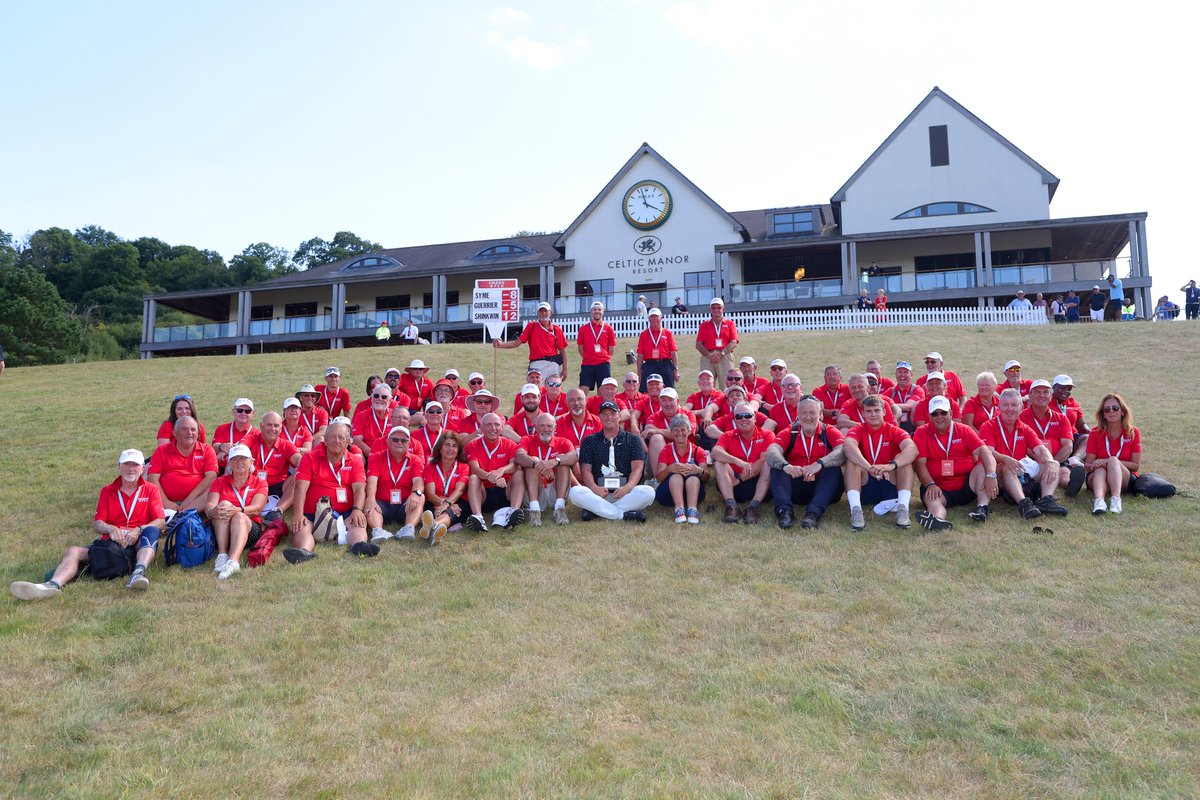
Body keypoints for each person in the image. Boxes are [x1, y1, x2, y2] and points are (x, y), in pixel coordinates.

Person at [11, 448, 165, 599]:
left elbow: (160, 520)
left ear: (142, 468)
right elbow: (97, 523)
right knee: (72, 551)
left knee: (151, 531)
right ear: (119, 466)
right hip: (113, 541)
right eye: (126, 464)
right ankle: (53, 585)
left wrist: (138, 530)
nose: (131, 469)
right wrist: (111, 529)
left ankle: (139, 572)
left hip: (137, 542)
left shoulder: (151, 489)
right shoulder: (107, 491)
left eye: (135, 465)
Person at [286, 421, 376, 563]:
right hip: (313, 513)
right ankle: (304, 552)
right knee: (301, 527)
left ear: (347, 442)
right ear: (325, 440)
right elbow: (300, 488)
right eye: (332, 437)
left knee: (357, 523)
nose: (337, 441)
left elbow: (359, 488)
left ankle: (359, 546)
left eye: (341, 438)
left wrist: (357, 509)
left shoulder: (355, 461)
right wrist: (298, 514)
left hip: (345, 512)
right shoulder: (309, 458)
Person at [912, 396, 999, 529]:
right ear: (929, 416)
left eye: (943, 413)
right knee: (932, 500)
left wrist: (991, 475)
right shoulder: (921, 432)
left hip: (966, 485)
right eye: (935, 413)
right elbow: (919, 464)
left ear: (951, 413)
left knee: (983, 467)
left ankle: (982, 507)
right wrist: (930, 484)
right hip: (938, 486)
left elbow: (985, 451)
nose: (939, 417)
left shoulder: (964, 429)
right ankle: (937, 520)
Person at [978, 389, 1066, 520]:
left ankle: (1046, 500)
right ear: (999, 407)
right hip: (997, 474)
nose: (1010, 409)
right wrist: (1004, 458)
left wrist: (1050, 462)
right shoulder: (988, 426)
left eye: (1014, 405)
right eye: (1006, 405)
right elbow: (988, 452)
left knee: (1054, 463)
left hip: (1018, 470)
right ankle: (1024, 503)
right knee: (1007, 466)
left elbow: (1041, 449)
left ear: (1021, 408)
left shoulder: (1024, 428)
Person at [765, 395, 845, 530]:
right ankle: (784, 511)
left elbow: (842, 452)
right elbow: (771, 452)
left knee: (833, 468)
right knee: (777, 466)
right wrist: (786, 466)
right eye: (804, 413)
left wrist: (820, 463)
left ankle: (813, 513)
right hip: (796, 485)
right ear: (798, 415)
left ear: (820, 414)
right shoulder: (790, 431)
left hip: (824, 487)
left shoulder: (830, 431)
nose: (808, 417)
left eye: (812, 412)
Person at [568, 401, 655, 522]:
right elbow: (585, 470)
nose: (609, 417)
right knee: (575, 492)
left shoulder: (633, 440)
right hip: (599, 494)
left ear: (619, 416)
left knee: (649, 492)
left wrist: (627, 488)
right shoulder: (589, 441)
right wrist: (594, 488)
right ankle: (622, 515)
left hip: (625, 494)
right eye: (604, 414)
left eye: (612, 413)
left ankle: (598, 512)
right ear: (599, 417)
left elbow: (637, 468)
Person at [841, 395, 917, 530]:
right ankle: (856, 511)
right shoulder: (857, 429)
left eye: (876, 410)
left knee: (904, 461)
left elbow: (912, 449)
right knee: (852, 462)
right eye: (869, 411)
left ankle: (903, 509)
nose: (873, 414)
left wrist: (890, 466)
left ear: (884, 412)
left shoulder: (894, 430)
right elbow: (848, 446)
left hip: (890, 481)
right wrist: (869, 467)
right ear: (863, 413)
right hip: (865, 483)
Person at [204, 443, 267, 580]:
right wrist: (214, 511)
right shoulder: (219, 482)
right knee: (223, 505)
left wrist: (237, 510)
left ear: (251, 461)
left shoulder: (260, 482)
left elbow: (257, 508)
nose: (239, 462)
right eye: (235, 459)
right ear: (229, 463)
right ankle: (222, 555)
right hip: (221, 530)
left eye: (243, 458)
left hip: (249, 529)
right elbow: (209, 507)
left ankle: (233, 561)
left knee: (238, 515)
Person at [710, 402, 775, 524]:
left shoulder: (767, 434)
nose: (743, 419)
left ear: (755, 418)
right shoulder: (727, 435)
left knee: (768, 463)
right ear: (735, 420)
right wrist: (738, 461)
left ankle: (753, 507)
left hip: (757, 484)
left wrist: (740, 479)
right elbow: (715, 452)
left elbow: (764, 459)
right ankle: (731, 506)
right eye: (739, 416)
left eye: (747, 415)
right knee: (719, 463)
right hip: (733, 486)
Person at [1021, 379, 1084, 501]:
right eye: (1037, 392)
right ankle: (1038, 484)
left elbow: (1068, 446)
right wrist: (1044, 461)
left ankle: (1070, 485)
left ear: (1051, 396)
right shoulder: (1021, 417)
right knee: (1040, 470)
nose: (1041, 395)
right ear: (1030, 395)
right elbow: (1022, 445)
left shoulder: (1061, 419)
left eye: (1045, 392)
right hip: (1032, 460)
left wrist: (1052, 463)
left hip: (1057, 459)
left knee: (1064, 473)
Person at [464, 413, 525, 532]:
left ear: (502, 428)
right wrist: (492, 477)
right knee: (474, 478)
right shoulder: (472, 445)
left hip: (505, 489)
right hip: (484, 494)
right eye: (489, 425)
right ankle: (478, 516)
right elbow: (474, 468)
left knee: (519, 473)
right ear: (481, 428)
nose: (493, 428)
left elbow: (514, 464)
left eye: (497, 425)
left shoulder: (509, 443)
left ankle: (513, 511)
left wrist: (501, 471)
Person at [365, 425, 425, 542]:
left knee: (420, 496)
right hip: (382, 505)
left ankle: (409, 528)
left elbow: (418, 481)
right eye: (395, 439)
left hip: (405, 505)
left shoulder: (415, 460)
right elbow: (372, 481)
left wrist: (415, 493)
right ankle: (378, 531)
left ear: (409, 444)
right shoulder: (376, 457)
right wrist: (371, 498)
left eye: (404, 440)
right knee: (368, 500)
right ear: (388, 441)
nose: (399, 443)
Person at [515, 412, 577, 526]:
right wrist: (538, 464)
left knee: (562, 461)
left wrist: (553, 462)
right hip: (536, 490)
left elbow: (573, 456)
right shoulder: (527, 439)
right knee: (532, 461)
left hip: (556, 489)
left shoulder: (563, 441)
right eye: (542, 425)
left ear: (555, 427)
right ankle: (534, 511)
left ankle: (560, 508)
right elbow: (519, 456)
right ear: (535, 427)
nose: (546, 429)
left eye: (549, 426)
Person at [146, 417, 218, 514]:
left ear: (198, 433)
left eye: (193, 429)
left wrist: (190, 499)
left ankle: (183, 515)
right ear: (175, 433)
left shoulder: (207, 450)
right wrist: (166, 502)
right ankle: (180, 516)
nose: (189, 432)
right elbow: (152, 479)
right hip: (167, 502)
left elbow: (211, 477)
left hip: (196, 501)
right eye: (184, 429)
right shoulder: (161, 450)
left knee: (214, 489)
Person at [1085, 393, 1141, 515]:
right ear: (1103, 414)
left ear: (1122, 411)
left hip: (1124, 479)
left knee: (1113, 460)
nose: (1111, 412)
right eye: (1107, 409)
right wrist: (1096, 464)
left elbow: (1135, 465)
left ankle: (1116, 499)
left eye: (1115, 408)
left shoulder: (1133, 432)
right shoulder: (1095, 433)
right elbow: (1087, 465)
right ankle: (1099, 501)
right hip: (1098, 477)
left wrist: (1109, 461)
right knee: (1100, 469)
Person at [242, 411, 303, 517]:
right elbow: (241, 449)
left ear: (281, 428)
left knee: (300, 476)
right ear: (261, 426)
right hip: (253, 484)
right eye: (269, 425)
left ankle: (277, 511)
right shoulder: (251, 438)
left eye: (276, 426)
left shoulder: (286, 444)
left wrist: (299, 468)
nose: (273, 429)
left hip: (278, 485)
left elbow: (299, 459)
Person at [654, 414, 709, 524]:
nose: (680, 433)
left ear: (689, 431)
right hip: (669, 494)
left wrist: (699, 470)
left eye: (683, 430)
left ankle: (692, 509)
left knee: (693, 475)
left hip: (694, 493)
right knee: (675, 474)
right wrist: (670, 469)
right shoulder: (666, 450)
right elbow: (658, 478)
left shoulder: (698, 450)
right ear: (671, 432)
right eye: (676, 430)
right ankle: (679, 509)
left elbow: (706, 477)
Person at [493, 301, 568, 381]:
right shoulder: (531, 326)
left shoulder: (556, 329)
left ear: (550, 313)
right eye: (541, 311)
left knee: (553, 390)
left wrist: (565, 369)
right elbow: (516, 343)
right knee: (535, 390)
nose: (543, 313)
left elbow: (562, 351)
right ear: (537, 313)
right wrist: (501, 345)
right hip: (537, 364)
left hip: (553, 364)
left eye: (545, 311)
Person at [421, 432, 468, 544]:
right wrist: (444, 503)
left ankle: (434, 525)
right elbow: (430, 494)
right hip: (435, 501)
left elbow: (460, 490)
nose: (450, 449)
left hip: (457, 501)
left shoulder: (463, 467)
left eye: (454, 446)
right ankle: (436, 528)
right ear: (440, 448)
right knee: (446, 510)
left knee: (450, 511)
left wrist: (447, 504)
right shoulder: (430, 467)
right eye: (447, 445)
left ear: (458, 451)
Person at [638, 387, 695, 478]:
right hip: (659, 462)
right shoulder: (653, 417)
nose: (668, 403)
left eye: (671, 400)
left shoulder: (688, 414)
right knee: (657, 438)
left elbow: (687, 433)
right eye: (664, 400)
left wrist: (657, 430)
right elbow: (648, 431)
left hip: (685, 459)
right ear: (660, 403)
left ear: (678, 401)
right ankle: (659, 480)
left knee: (657, 435)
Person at [695, 297, 738, 381]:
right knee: (706, 383)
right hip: (708, 357)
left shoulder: (730, 324)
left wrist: (721, 353)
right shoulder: (704, 325)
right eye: (713, 308)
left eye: (719, 308)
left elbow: (734, 342)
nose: (716, 310)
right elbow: (698, 344)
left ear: (723, 309)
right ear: (710, 309)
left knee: (727, 384)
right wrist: (709, 355)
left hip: (725, 355)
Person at [577, 300, 616, 391]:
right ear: (591, 312)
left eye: (599, 309)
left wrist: (602, 357)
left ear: (603, 312)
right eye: (594, 309)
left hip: (603, 364)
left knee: (602, 392)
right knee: (583, 390)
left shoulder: (609, 328)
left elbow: (611, 349)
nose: (597, 312)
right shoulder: (583, 329)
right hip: (587, 364)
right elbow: (580, 348)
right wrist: (588, 356)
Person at [350, 382, 395, 461]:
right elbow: (357, 440)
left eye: (384, 397)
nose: (379, 399)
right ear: (371, 398)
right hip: (368, 455)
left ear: (389, 400)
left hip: (392, 455)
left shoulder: (395, 415)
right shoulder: (361, 416)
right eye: (376, 396)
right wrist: (373, 455)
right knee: (357, 456)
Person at [636, 308, 679, 390]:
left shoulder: (667, 333)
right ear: (648, 319)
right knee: (645, 391)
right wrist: (639, 373)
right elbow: (640, 355)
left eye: (656, 316)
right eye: (652, 316)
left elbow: (673, 352)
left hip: (665, 364)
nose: (654, 318)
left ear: (661, 318)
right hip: (649, 365)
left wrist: (676, 369)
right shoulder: (644, 335)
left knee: (669, 390)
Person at [212, 398, 257, 472]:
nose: (243, 413)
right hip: (221, 470)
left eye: (247, 411)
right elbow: (214, 448)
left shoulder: (256, 434)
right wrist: (221, 446)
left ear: (252, 414)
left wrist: (227, 452)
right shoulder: (222, 428)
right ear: (233, 411)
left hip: (245, 471)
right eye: (239, 410)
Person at [883, 361, 923, 432]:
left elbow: (909, 407)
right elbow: (880, 402)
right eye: (900, 372)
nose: (902, 375)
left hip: (913, 427)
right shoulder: (891, 391)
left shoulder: (917, 389)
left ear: (911, 375)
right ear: (896, 374)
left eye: (905, 372)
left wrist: (891, 405)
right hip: (895, 425)